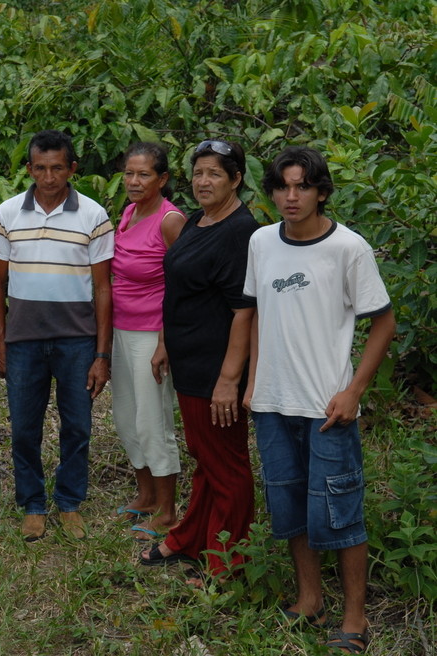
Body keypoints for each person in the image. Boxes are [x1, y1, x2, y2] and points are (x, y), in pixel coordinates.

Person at [244, 146, 394, 653]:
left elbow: (383, 322)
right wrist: (252, 385)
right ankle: (310, 599)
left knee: (340, 512)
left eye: (302, 186)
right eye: (283, 186)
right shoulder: (262, 242)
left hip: (327, 408)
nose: (291, 196)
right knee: (288, 509)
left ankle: (355, 618)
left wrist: (353, 392)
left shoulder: (349, 248)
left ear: (321, 192)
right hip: (272, 402)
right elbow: (259, 313)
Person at [139, 140, 259, 583]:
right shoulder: (197, 221)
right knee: (204, 456)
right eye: (199, 172)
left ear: (236, 179)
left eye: (215, 174)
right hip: (187, 361)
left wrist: (230, 380)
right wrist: (166, 340)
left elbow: (245, 310)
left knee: (227, 466)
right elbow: (180, 291)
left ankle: (226, 563)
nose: (203, 181)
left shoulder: (240, 232)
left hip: (215, 369)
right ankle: (191, 537)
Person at [0, 130, 114, 541]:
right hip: (23, 342)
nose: (48, 176)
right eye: (40, 168)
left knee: (77, 425)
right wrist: (1, 344)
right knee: (25, 426)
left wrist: (101, 353)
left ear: (72, 168)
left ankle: (70, 501)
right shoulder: (7, 213)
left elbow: (103, 288)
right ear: (29, 169)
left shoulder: (93, 215)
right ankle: (33, 503)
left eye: (57, 167)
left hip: (76, 341)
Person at [110, 142, 186, 541]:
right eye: (129, 173)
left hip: (152, 334)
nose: (134, 181)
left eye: (144, 175)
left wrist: (165, 341)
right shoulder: (128, 211)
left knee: (153, 421)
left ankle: (169, 510)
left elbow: (183, 285)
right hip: (121, 328)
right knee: (125, 416)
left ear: (163, 179)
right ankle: (146, 495)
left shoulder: (170, 220)